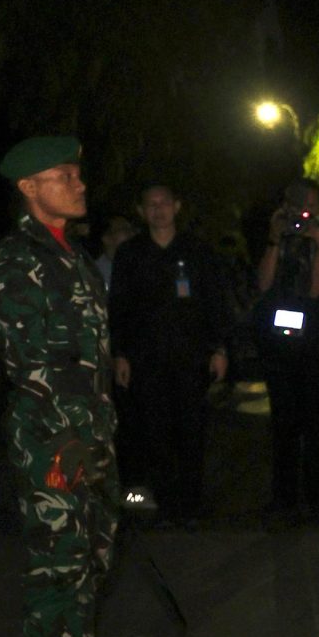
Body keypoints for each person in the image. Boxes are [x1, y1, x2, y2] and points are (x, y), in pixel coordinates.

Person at [0, 136, 147, 637]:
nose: (79, 184)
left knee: (94, 552)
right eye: (63, 175)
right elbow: (31, 361)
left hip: (88, 430)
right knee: (59, 559)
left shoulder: (68, 254)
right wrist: (70, 437)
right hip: (54, 435)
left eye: (79, 173)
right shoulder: (14, 257)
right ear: (29, 188)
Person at [108, 183, 236, 523]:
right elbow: (118, 307)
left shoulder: (198, 251)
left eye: (164, 202)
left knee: (192, 429)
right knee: (152, 431)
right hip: (146, 359)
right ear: (141, 211)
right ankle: (160, 503)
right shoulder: (130, 254)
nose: (158, 209)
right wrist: (120, 354)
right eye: (151, 204)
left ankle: (191, 503)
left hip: (191, 356)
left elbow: (216, 303)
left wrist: (219, 348)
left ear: (177, 206)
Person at [253, 179, 319, 520]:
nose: (304, 212)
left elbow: (318, 289)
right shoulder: (278, 234)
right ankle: (284, 497)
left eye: (312, 204)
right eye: (298, 204)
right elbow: (262, 283)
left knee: (315, 421)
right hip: (279, 339)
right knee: (283, 422)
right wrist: (275, 238)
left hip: (315, 338)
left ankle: (318, 498)